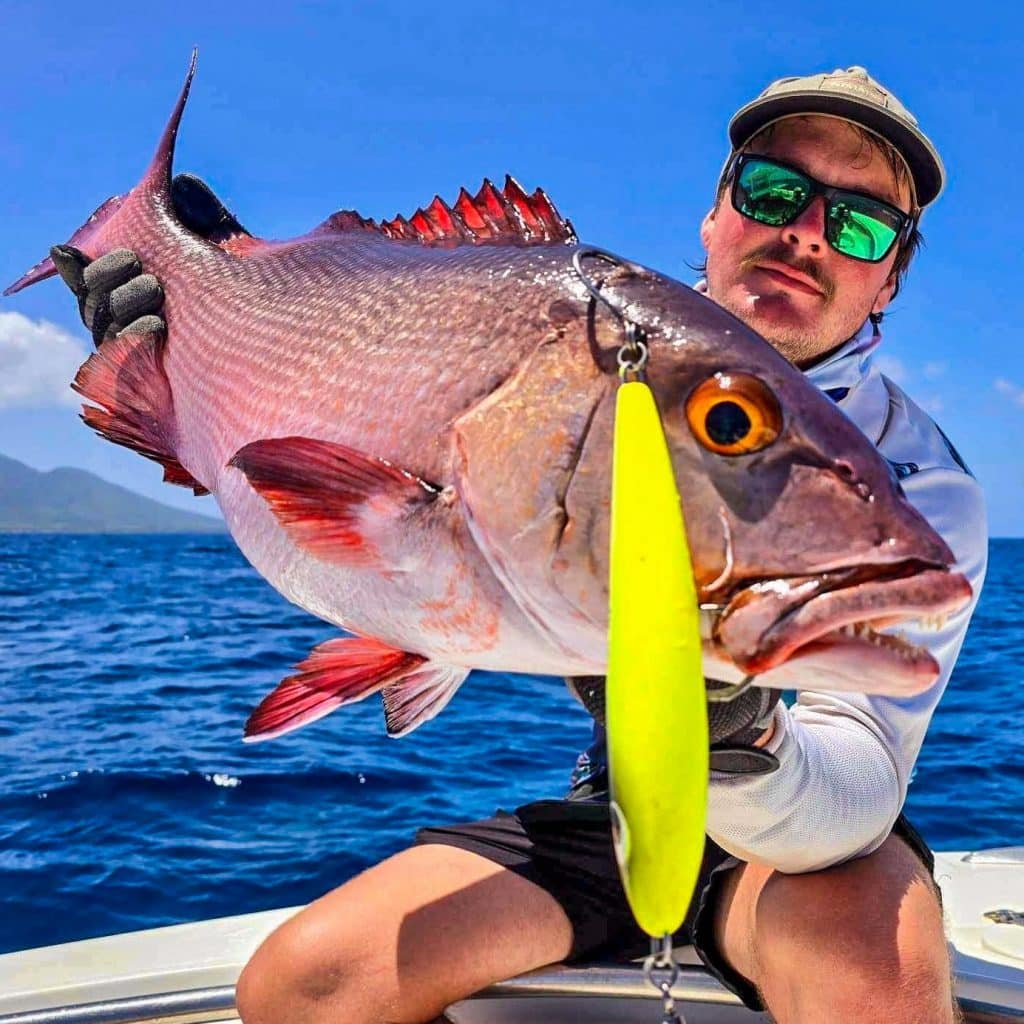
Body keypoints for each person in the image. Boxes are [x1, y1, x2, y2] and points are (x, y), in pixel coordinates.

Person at [54, 67, 987, 1023]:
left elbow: (864, 777)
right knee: (303, 988)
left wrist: (733, 732)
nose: (805, 233)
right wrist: (180, 347)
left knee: (872, 967)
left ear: (891, 279)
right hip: (603, 815)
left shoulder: (922, 489)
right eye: (775, 193)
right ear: (716, 218)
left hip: (796, 845)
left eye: (861, 223)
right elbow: (278, 472)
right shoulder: (587, 332)